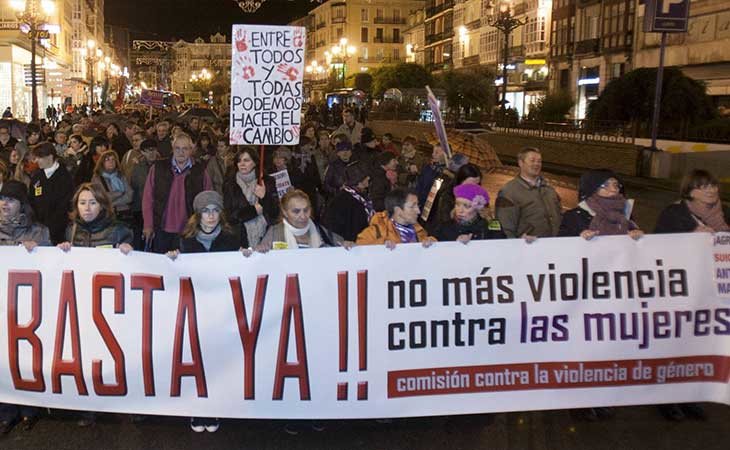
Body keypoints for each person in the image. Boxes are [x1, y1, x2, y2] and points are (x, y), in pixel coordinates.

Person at [165, 191, 247, 433]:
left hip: (222, 307)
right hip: (195, 307)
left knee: (217, 359)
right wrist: (172, 259)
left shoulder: (232, 237)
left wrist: (247, 257)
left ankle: (214, 407)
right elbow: (171, 270)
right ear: (197, 214)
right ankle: (196, 408)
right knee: (194, 358)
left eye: (215, 210)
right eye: (206, 210)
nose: (211, 216)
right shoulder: (183, 239)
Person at [56, 183, 133, 427]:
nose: (87, 208)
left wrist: (129, 251)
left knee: (114, 355)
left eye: (92, 202)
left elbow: (137, 268)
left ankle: (124, 401)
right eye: (82, 203)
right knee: (86, 355)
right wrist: (61, 252)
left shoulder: (120, 231)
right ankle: (88, 406)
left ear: (102, 204)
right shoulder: (71, 232)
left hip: (112, 305)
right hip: (82, 303)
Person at [0, 180, 49, 433]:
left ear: (22, 204)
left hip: (28, 308)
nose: (4, 204)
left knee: (26, 357)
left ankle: (30, 408)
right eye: (1, 199)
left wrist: (38, 252)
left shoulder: (38, 232)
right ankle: (6, 410)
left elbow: (53, 268)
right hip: (1, 307)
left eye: (10, 199)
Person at [142, 133, 212, 253]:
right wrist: (148, 224)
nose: (181, 152)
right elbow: (148, 198)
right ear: (172, 149)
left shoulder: (200, 171)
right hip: (161, 229)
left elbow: (208, 200)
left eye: (185, 148)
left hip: (190, 230)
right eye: (177, 148)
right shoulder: (158, 168)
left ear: (191, 150)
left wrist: (205, 225)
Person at [495, 147, 562, 239]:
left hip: (552, 246)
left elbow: (560, 216)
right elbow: (505, 227)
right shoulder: (509, 191)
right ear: (521, 163)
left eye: (539, 161)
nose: (536, 164)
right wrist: (514, 245)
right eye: (532, 160)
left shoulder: (549, 190)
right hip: (527, 247)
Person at [558, 169, 643, 240]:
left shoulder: (625, 212)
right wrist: (579, 238)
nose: (613, 189)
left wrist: (636, 234)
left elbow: (634, 240)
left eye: (616, 185)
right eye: (605, 185)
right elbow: (562, 246)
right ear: (592, 188)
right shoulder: (574, 216)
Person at [257, 189, 353, 251]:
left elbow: (343, 246)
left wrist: (348, 245)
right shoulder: (273, 233)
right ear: (285, 212)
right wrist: (255, 252)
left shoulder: (322, 232)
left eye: (306, 210)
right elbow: (259, 260)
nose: (303, 216)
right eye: (296, 211)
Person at [223, 146, 279, 248]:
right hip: (240, 238)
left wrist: (265, 197)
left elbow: (275, 213)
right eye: (239, 161)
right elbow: (229, 216)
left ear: (255, 162)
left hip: (266, 237)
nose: (242, 164)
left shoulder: (267, 181)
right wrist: (253, 211)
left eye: (246, 160)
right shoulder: (229, 184)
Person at [655, 169, 729, 234]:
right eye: (704, 187)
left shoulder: (726, 210)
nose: (712, 191)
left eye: (713, 186)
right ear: (690, 192)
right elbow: (659, 241)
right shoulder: (673, 213)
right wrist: (692, 236)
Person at [357, 188, 437, 248]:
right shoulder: (375, 233)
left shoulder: (419, 231)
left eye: (417, 205)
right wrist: (380, 247)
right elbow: (357, 255)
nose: (418, 211)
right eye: (412, 206)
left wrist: (433, 243)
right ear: (398, 210)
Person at [28, 143, 74, 244]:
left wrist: (52, 224)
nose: (37, 161)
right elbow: (31, 200)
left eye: (40, 157)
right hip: (39, 229)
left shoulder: (65, 176)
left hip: (59, 229)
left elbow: (65, 202)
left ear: (50, 156)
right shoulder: (36, 177)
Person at [435, 183, 506, 242]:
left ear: (478, 209)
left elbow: (500, 249)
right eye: (457, 204)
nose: (460, 210)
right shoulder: (445, 228)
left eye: (467, 206)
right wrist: (431, 241)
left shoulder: (492, 228)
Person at [324, 161, 374, 242]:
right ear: (358, 180)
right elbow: (332, 227)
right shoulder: (341, 201)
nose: (368, 178)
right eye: (365, 176)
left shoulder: (361, 197)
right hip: (350, 247)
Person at [129, 139, 159, 250]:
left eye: (153, 150)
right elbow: (134, 186)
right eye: (148, 151)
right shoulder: (137, 167)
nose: (151, 153)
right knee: (141, 241)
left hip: (158, 209)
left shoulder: (163, 166)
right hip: (140, 208)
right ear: (142, 152)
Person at [90, 150, 133, 222]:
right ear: (102, 163)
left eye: (113, 159)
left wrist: (113, 203)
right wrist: (120, 193)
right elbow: (103, 197)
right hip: (108, 215)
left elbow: (130, 195)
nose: (111, 162)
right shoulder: (97, 178)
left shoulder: (121, 176)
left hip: (125, 213)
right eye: (107, 160)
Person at [289, 137, 322, 215]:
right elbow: (291, 173)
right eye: (307, 145)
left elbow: (315, 172)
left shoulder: (311, 157)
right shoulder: (293, 158)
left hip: (311, 189)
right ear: (301, 146)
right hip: (298, 189)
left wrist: (319, 186)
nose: (309, 147)